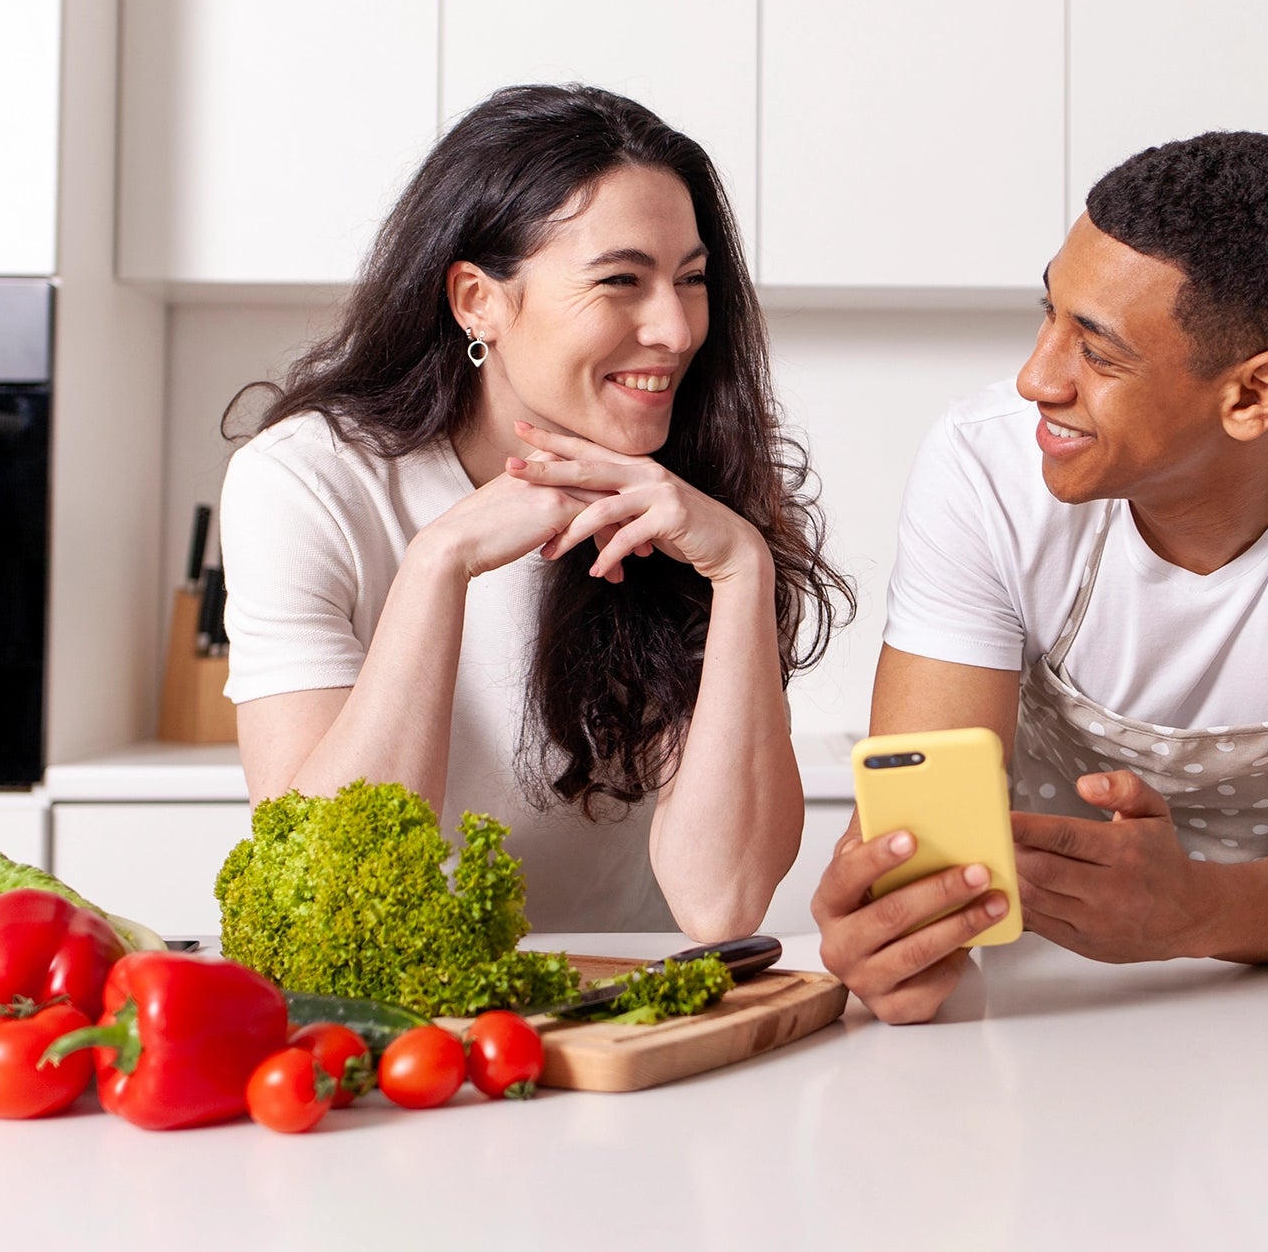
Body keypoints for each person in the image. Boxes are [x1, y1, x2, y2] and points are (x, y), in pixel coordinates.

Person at [811, 131, 1268, 1022]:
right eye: (1048, 314)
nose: (1035, 377)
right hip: (1040, 987)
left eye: (1098, 355)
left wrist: (1191, 910)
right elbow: (922, 790)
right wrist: (894, 920)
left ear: (1255, 394)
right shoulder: (981, 462)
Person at [219, 84, 850, 938]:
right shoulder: (306, 485)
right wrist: (441, 562)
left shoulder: (688, 496)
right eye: (621, 280)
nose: (673, 327)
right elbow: (333, 886)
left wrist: (740, 566)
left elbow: (721, 900)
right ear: (479, 299)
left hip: (617, 1018)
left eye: (691, 280)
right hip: (396, 1023)